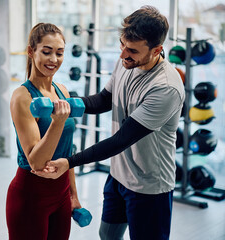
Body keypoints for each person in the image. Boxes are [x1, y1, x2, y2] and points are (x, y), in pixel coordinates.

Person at [33, 6, 185, 240]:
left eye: (132, 50)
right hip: (119, 176)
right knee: (108, 235)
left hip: (149, 186)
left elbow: (121, 140)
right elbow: (103, 100)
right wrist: (60, 103)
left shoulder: (165, 87)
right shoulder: (126, 62)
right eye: (122, 44)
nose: (123, 54)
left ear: (157, 50)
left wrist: (70, 162)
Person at [5, 23, 82, 240]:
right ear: (31, 52)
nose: (54, 60)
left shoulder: (62, 90)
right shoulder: (22, 97)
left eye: (59, 53)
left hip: (61, 195)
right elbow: (36, 162)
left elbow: (68, 151)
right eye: (46, 52)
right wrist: (57, 123)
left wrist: (73, 195)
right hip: (31, 195)